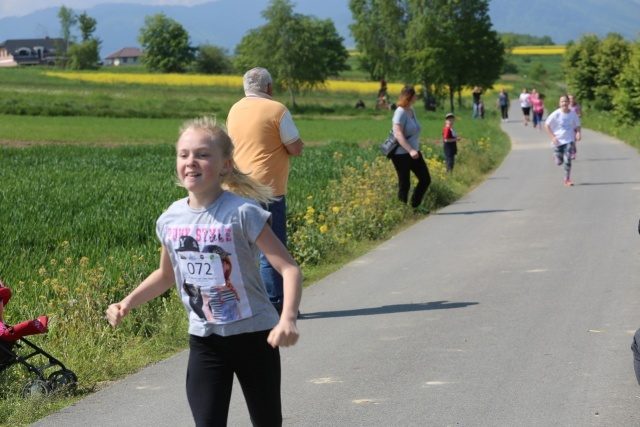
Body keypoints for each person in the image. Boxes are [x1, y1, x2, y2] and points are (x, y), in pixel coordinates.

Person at [106, 117, 302, 426]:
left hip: (255, 337)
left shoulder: (243, 212)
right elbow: (167, 275)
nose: (191, 162)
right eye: (184, 154)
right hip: (206, 341)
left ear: (225, 165)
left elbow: (288, 268)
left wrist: (287, 317)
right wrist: (127, 302)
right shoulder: (170, 219)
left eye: (202, 154)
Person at [226, 67, 304, 315]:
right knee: (273, 250)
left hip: (236, 188)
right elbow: (295, 148)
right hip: (267, 189)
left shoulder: (234, 110)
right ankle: (275, 304)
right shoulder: (277, 110)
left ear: (245, 88)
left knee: (241, 250)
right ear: (269, 88)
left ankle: (243, 303)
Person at [389, 86, 431, 213]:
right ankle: (401, 211)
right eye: (414, 95)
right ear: (408, 96)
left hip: (413, 151)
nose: (416, 97)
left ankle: (415, 205)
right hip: (401, 153)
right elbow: (398, 134)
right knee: (405, 183)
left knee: (425, 179)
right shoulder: (400, 112)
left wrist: (415, 149)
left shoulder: (411, 110)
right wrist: (410, 150)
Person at [544, 95, 582, 186]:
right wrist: (553, 137)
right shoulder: (556, 114)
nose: (564, 103)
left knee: (568, 159)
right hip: (558, 140)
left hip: (569, 139)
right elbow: (546, 125)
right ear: (559, 104)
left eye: (566, 101)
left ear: (569, 103)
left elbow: (577, 125)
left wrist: (578, 133)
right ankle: (556, 156)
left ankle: (567, 179)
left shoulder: (573, 114)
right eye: (562, 101)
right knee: (559, 162)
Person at [568, 94, 583, 159]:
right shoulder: (566, 107)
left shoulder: (577, 107)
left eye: (572, 98)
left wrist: (577, 115)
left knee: (573, 140)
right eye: (569, 99)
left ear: (574, 99)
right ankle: (569, 151)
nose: (571, 100)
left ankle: (573, 152)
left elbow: (580, 115)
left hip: (575, 126)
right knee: (568, 140)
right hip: (567, 126)